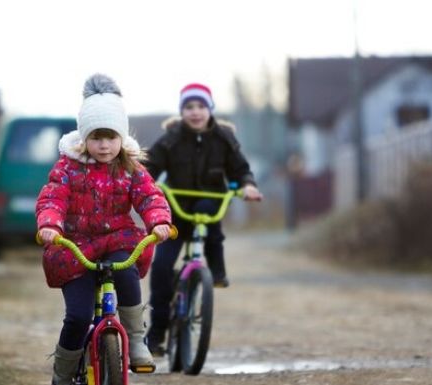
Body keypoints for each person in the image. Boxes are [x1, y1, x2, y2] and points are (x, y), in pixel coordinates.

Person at [36, 73, 173, 385]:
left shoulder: (130, 169)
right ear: (84, 138)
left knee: (127, 276)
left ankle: (137, 341)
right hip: (75, 246)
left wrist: (159, 221)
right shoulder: (68, 169)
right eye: (96, 138)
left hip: (117, 241)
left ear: (121, 139)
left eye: (110, 138)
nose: (104, 145)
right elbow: (52, 198)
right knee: (78, 317)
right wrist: (50, 225)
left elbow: (150, 196)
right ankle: (62, 373)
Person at [143, 82, 263, 355]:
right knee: (161, 266)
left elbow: (240, 169)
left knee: (210, 211)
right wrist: (143, 185)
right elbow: (149, 168)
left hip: (209, 203)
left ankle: (215, 269)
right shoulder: (171, 138)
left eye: (200, 106)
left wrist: (247, 185)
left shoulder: (223, 138)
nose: (195, 112)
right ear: (181, 111)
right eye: (189, 107)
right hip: (177, 207)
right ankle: (157, 332)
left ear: (210, 109)